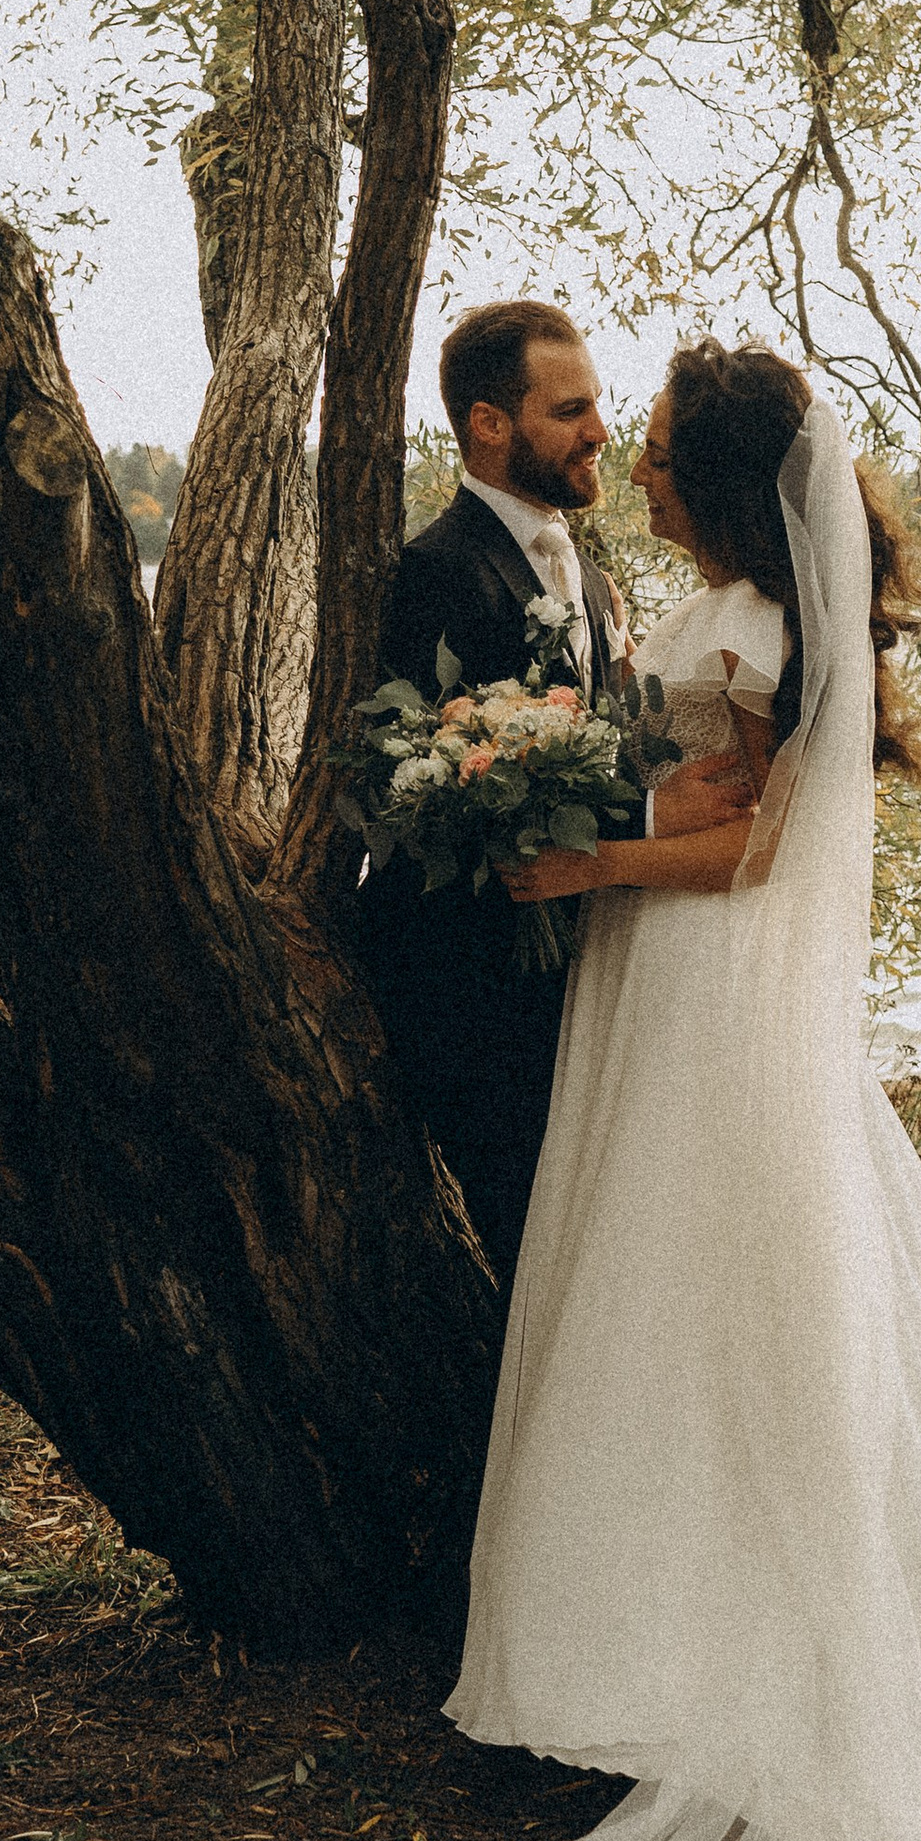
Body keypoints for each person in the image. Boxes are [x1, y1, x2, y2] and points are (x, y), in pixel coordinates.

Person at [417, 341, 921, 1841]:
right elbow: (691, 792)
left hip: (701, 981)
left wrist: (586, 854)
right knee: (666, 1307)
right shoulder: (716, 614)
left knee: (707, 1303)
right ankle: (667, 1672)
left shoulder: (750, 632)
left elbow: (745, 847)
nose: (644, 468)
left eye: (665, 450)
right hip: (660, 987)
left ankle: (750, 1689)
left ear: (734, 485)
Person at [359, 303, 629, 1298]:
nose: (599, 429)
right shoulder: (430, 570)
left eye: (596, 404)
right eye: (571, 410)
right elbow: (394, 783)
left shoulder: (585, 574)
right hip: (474, 989)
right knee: (529, 1251)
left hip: (574, 968)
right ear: (488, 424)